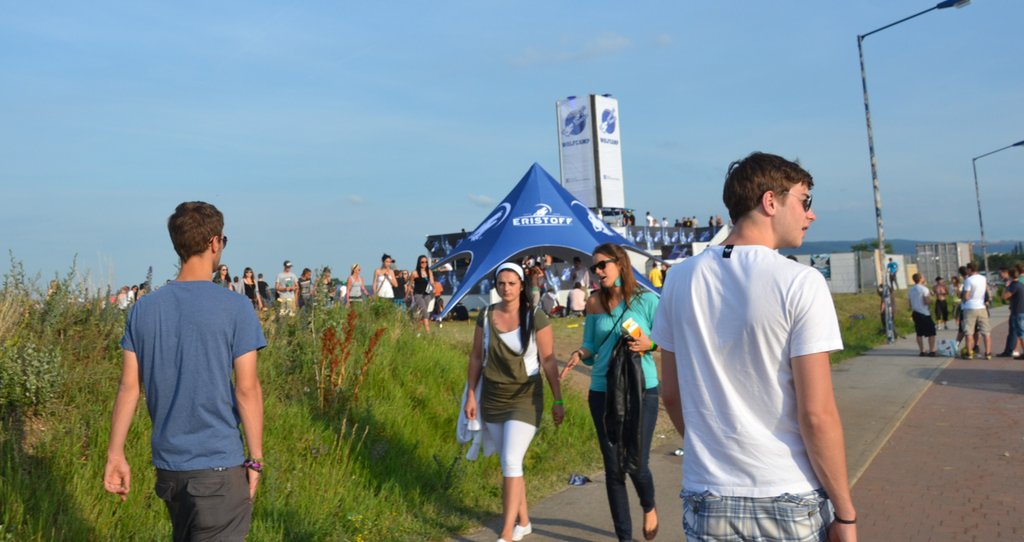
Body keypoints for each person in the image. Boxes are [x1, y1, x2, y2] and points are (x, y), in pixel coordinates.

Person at [652, 152, 856, 541]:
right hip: (786, 490)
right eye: (805, 201)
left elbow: (672, 395)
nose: (811, 214)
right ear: (770, 201)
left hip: (707, 493)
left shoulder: (679, 280)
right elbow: (816, 414)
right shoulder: (801, 282)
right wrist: (845, 513)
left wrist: (712, 450)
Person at [104, 201, 265, 540]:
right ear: (214, 243)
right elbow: (247, 389)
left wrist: (115, 454)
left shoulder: (144, 310)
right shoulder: (237, 307)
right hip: (218, 467)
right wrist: (255, 459)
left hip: (170, 471)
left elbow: (129, 387)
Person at [561, 243, 661, 542]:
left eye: (602, 265)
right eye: (594, 267)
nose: (598, 271)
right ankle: (624, 538)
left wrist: (650, 344)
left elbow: (669, 340)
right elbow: (591, 345)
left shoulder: (646, 300)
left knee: (637, 464)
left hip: (641, 388)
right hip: (603, 390)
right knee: (614, 467)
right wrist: (580, 353)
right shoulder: (594, 303)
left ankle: (648, 505)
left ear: (620, 264)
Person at [463, 262, 563, 542]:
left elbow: (548, 360)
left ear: (521, 286)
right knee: (511, 463)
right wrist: (471, 395)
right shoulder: (485, 316)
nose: (506, 288)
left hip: (526, 397)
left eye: (511, 283)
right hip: (493, 396)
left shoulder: (536, 316)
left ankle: (506, 533)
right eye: (501, 283)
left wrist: (558, 399)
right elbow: (475, 357)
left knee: (510, 460)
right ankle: (524, 521)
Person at [961, 262, 991, 360]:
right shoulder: (983, 278)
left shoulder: (968, 280)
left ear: (970, 269)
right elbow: (985, 291)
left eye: (967, 269)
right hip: (981, 307)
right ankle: (988, 353)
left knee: (969, 332)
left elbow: (966, 296)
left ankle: (969, 353)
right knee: (986, 332)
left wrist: (963, 297)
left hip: (970, 307)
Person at [909, 273, 937, 356]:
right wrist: (931, 299)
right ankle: (932, 350)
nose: (924, 278)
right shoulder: (924, 289)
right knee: (931, 332)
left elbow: (910, 304)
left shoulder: (911, 290)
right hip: (924, 313)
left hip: (915, 313)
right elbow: (926, 302)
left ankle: (922, 351)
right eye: (923, 277)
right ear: (920, 279)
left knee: (919, 333)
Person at [1000, 267, 1023, 359]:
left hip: (1017, 311)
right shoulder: (1020, 284)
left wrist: (1005, 287)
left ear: (1010, 275)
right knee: (1019, 332)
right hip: (1021, 310)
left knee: (1019, 333)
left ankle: (1012, 350)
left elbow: (1004, 297)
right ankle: (1013, 350)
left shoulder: (1014, 285)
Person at [411, 255, 435, 334]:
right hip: (418, 294)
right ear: (419, 262)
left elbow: (432, 282)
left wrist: (434, 288)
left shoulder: (429, 271)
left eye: (426, 262)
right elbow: (410, 284)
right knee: (425, 312)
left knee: (423, 313)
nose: (424, 264)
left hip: (427, 294)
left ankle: (417, 332)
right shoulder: (415, 272)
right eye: (422, 262)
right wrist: (407, 295)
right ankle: (428, 332)